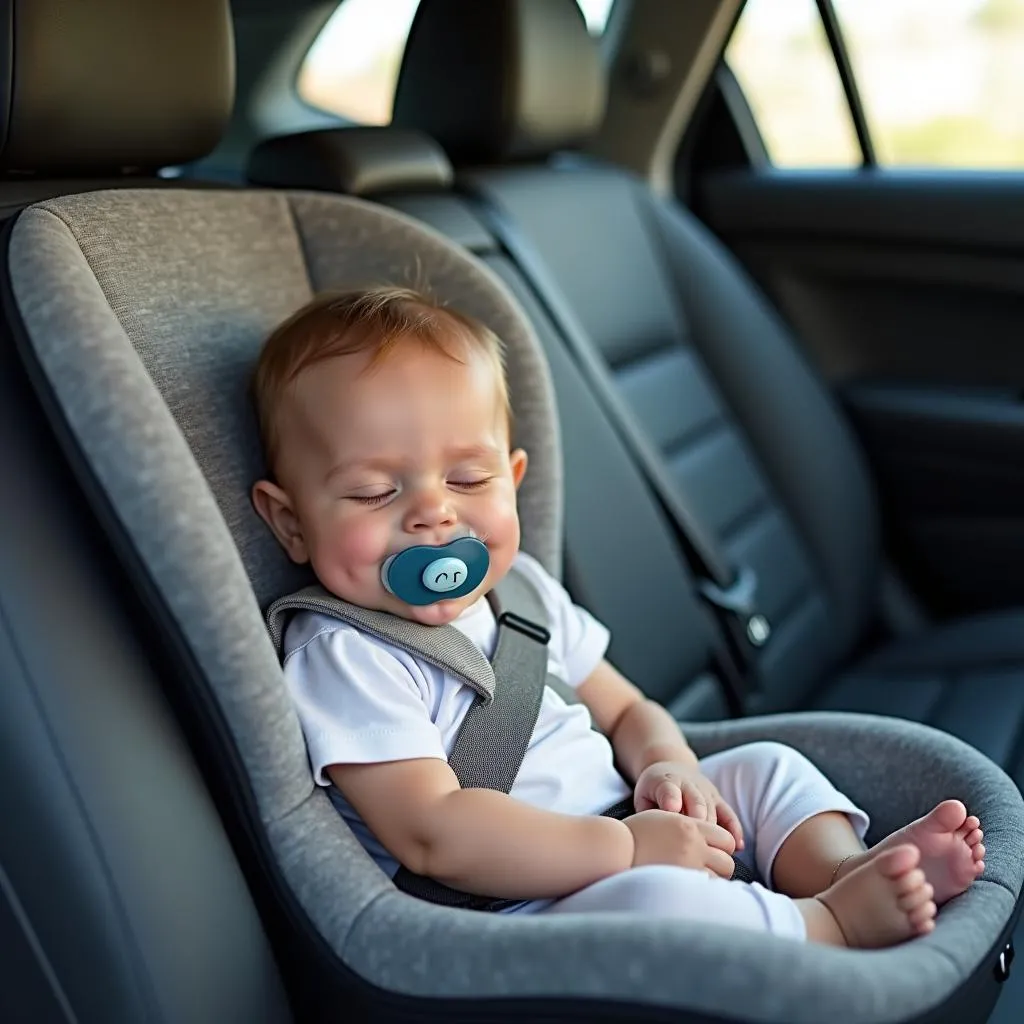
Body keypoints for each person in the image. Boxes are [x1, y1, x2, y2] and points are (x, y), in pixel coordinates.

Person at [251, 286, 985, 946]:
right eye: (376, 492)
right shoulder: (344, 655)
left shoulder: (525, 593)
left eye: (468, 478)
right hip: (515, 909)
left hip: (625, 823)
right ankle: (828, 928)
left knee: (765, 769)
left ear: (511, 481)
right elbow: (432, 834)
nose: (433, 513)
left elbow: (627, 709)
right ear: (290, 524)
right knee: (661, 902)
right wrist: (628, 850)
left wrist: (669, 766)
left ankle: (839, 870)